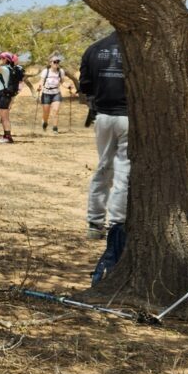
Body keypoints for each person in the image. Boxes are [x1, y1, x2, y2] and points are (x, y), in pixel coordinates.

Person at [80, 30, 129, 239]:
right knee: (124, 170)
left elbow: (85, 86)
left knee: (103, 167)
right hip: (129, 117)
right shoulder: (136, 50)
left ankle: (95, 222)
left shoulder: (94, 49)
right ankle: (117, 223)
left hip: (103, 117)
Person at [0, 51, 26, 144]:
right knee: (4, 117)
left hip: (4, 95)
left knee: (5, 118)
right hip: (2, 94)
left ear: (6, 60)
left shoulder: (5, 69)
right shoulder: (6, 69)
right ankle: (6, 135)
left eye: (1, 58)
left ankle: (8, 137)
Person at [36, 52, 75, 133]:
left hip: (56, 93)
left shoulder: (60, 71)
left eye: (58, 62)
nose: (56, 63)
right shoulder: (45, 71)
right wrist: (39, 86)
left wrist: (68, 86)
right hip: (46, 93)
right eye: (55, 62)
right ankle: (45, 122)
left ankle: (55, 128)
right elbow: (41, 81)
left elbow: (62, 82)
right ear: (50, 63)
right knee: (46, 112)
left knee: (56, 110)